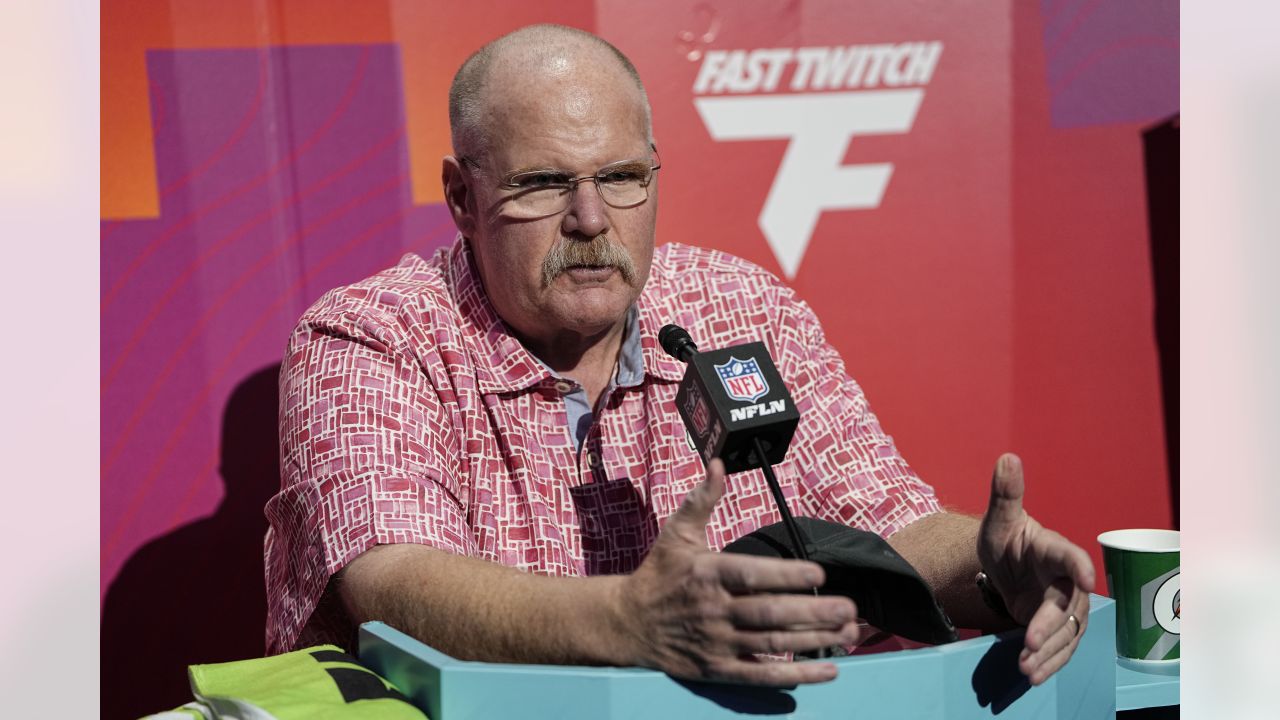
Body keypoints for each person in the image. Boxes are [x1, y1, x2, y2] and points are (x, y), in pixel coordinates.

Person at [264, 24, 1095, 687]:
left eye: (622, 176)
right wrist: (626, 623)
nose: (592, 219)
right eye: (545, 183)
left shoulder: (739, 308)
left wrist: (985, 569)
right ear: (462, 198)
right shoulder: (371, 336)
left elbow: (883, 526)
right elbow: (395, 583)